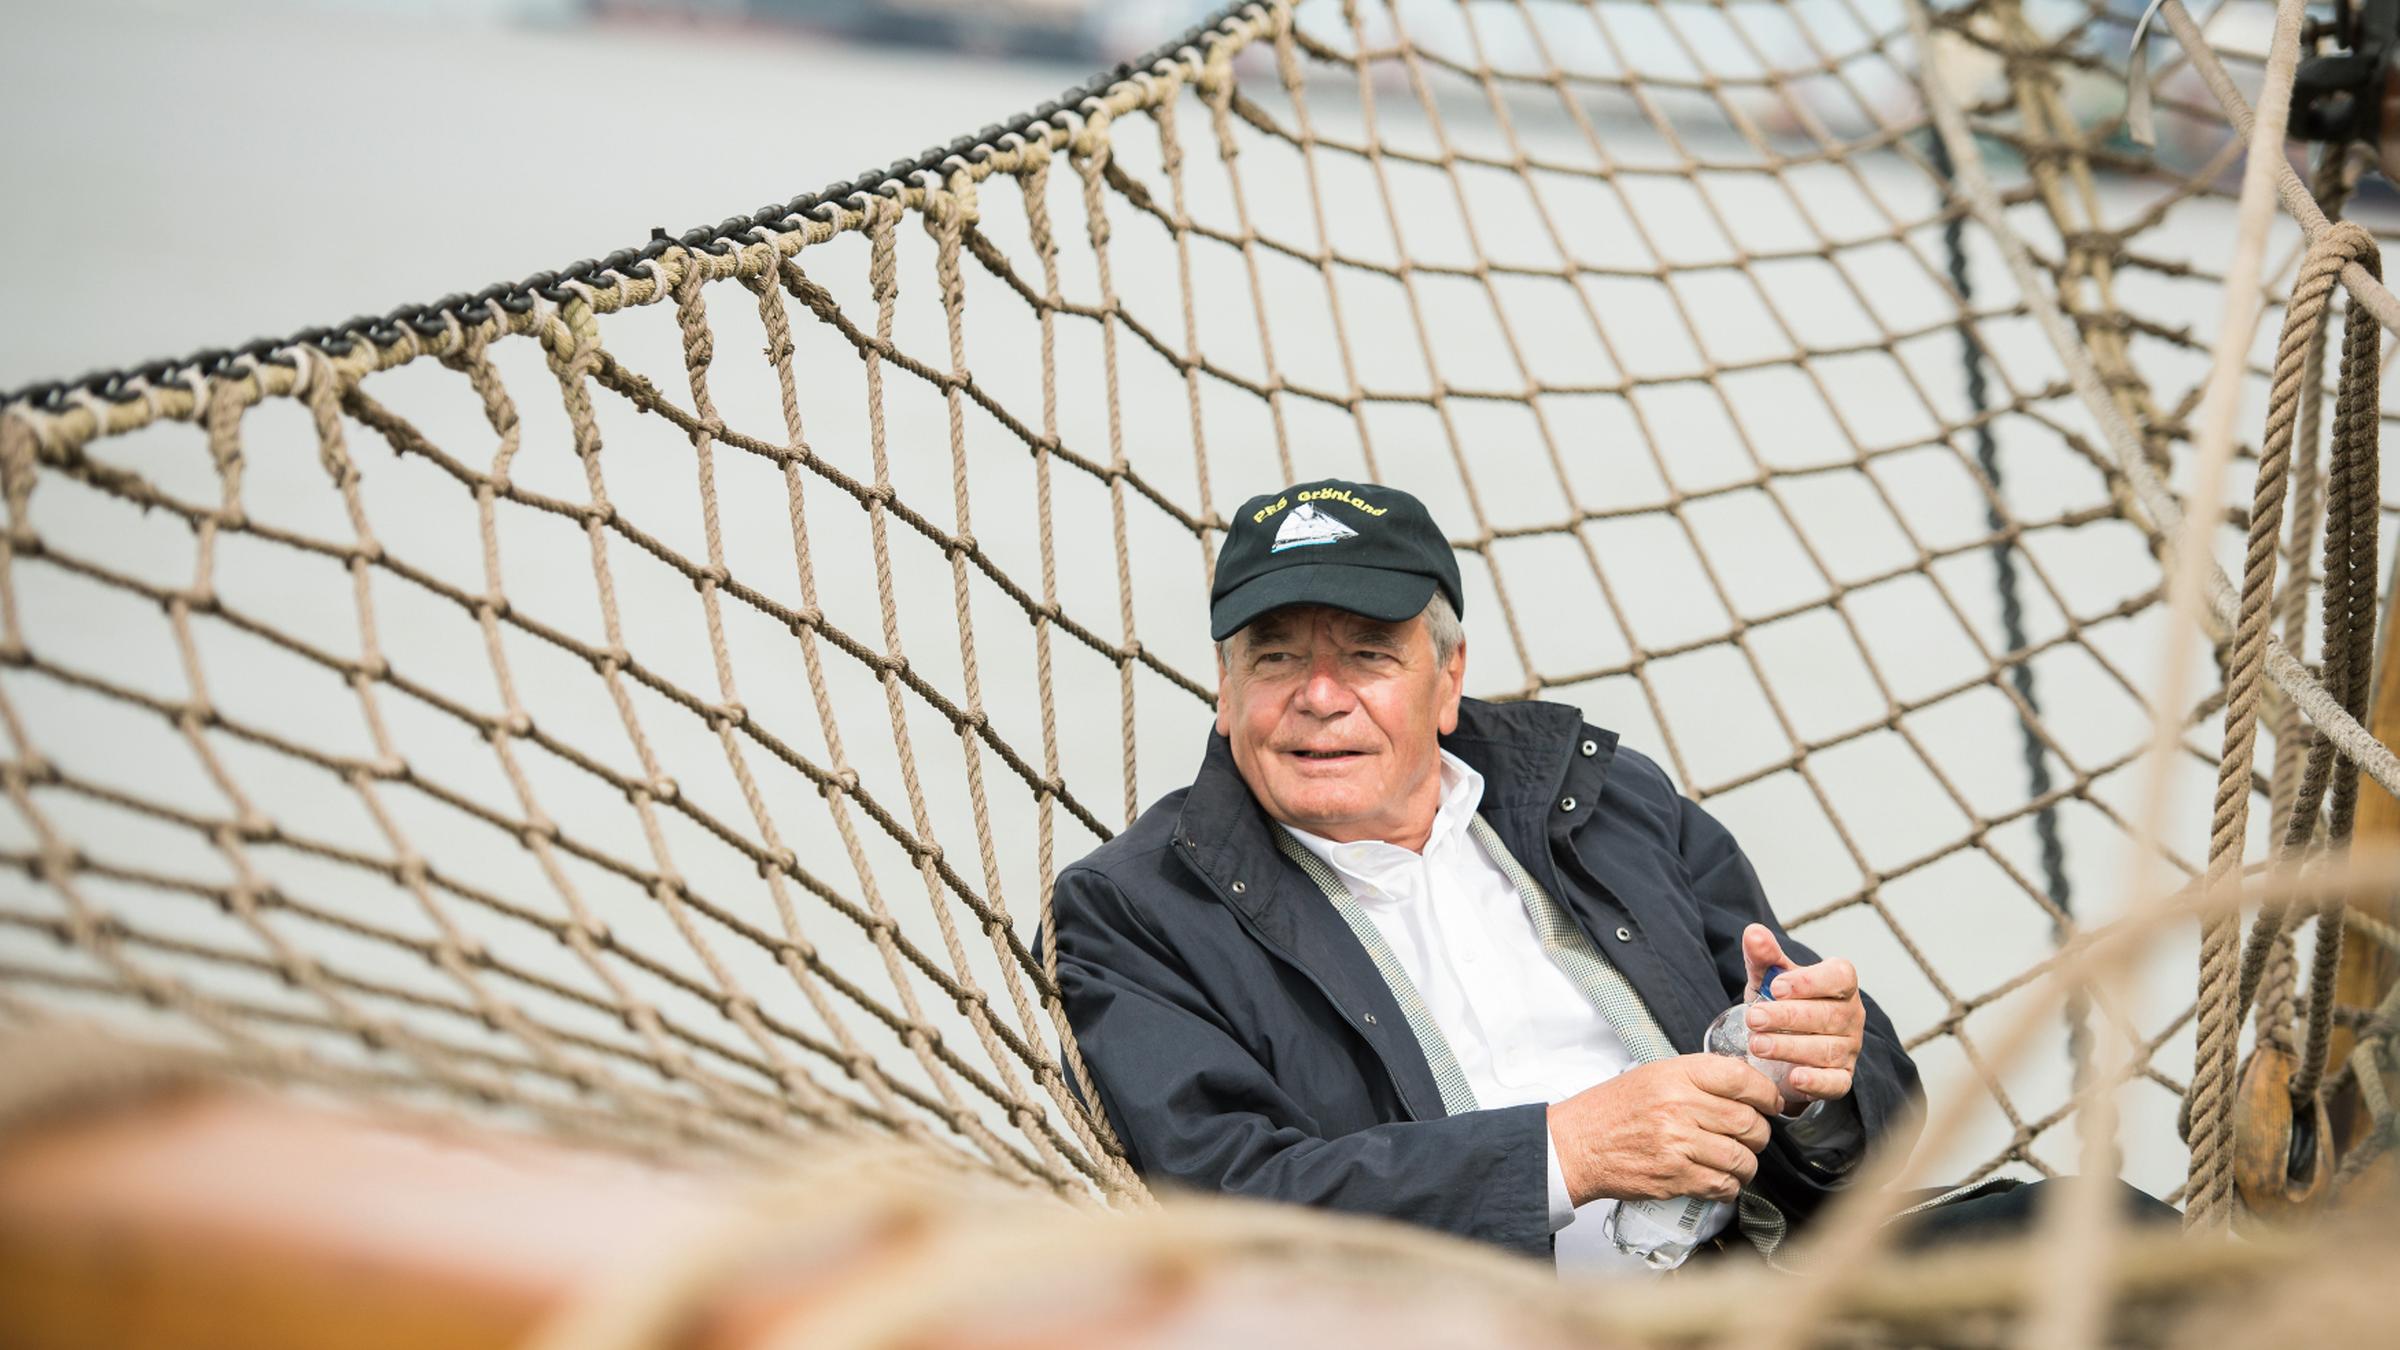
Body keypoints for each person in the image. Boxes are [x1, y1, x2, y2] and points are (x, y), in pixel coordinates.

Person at [1045, 478, 2151, 1272]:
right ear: (1228, 690)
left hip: (1768, 1286)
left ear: (1447, 680)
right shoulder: (1135, 910)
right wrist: (1565, 1152)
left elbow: (1872, 1126)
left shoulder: (1603, 800)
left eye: (1369, 657)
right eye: (1276, 657)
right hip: (1485, 1327)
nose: (1320, 696)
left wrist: (1822, 1084)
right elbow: (1234, 1204)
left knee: (2108, 1235)